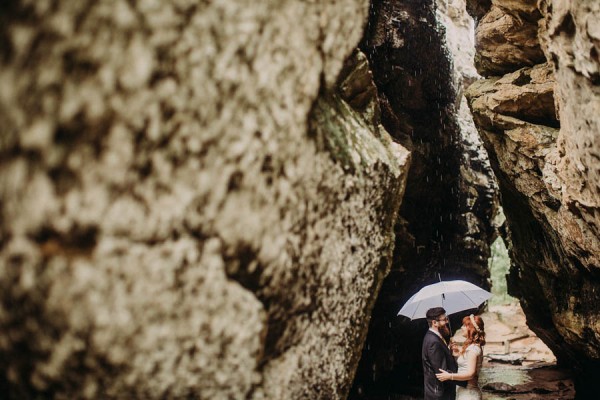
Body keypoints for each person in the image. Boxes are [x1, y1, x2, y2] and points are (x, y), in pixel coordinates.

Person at [436, 314, 486, 400]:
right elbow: (465, 363)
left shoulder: (472, 349)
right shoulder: (471, 346)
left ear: (471, 329)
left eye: (464, 325)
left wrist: (449, 376)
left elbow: (470, 374)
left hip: (469, 394)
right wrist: (456, 352)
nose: (462, 328)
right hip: (463, 391)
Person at [422, 307, 465, 400]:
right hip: (440, 394)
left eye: (446, 319)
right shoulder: (433, 342)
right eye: (444, 320)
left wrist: (449, 350)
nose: (447, 322)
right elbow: (442, 372)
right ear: (434, 323)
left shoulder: (435, 337)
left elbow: (440, 359)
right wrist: (466, 380)